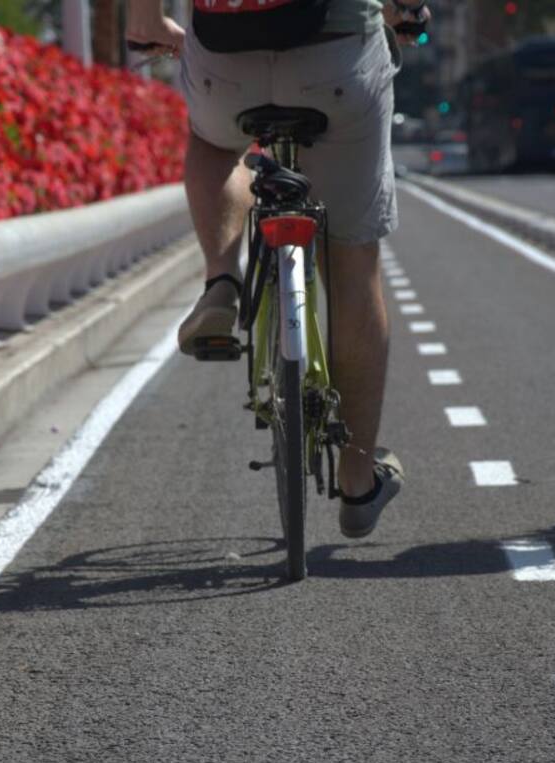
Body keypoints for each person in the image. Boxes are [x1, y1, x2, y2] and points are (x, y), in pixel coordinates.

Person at [126, 0, 432, 536]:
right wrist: (407, 11)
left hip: (226, 65)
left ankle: (222, 280)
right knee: (354, 263)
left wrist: (148, 24)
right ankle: (358, 481)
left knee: (213, 145)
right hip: (337, 63)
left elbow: (146, 25)